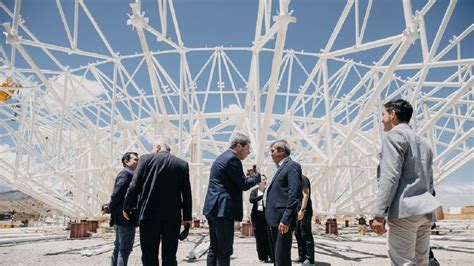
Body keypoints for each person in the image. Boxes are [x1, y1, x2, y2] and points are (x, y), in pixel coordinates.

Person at [371, 99, 441, 266]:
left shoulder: (394, 137)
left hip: (405, 211)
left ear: (393, 115)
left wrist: (379, 214)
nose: (381, 119)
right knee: (422, 263)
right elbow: (429, 182)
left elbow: (390, 176)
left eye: (383, 114)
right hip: (425, 213)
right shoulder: (424, 143)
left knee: (403, 263)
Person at [123, 142, 192, 266]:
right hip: (172, 218)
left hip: (148, 216)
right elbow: (186, 193)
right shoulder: (182, 164)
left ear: (158, 148)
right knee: (170, 254)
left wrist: (127, 207)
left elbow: (134, 185)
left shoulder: (145, 159)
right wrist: (187, 217)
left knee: (149, 254)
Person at [203, 133, 261, 266]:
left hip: (213, 207)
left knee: (214, 248)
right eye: (247, 149)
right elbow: (243, 185)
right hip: (223, 210)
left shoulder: (222, 157)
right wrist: (257, 178)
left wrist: (247, 178)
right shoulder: (233, 160)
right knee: (224, 250)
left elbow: (232, 181)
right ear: (239, 146)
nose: (248, 153)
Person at [264, 140, 302, 266]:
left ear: (282, 151)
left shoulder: (292, 166)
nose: (271, 154)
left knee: (282, 258)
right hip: (274, 219)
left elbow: (294, 194)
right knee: (277, 257)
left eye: (273, 151)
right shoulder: (279, 169)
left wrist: (286, 219)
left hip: (282, 219)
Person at [109, 152, 139, 266]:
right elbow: (117, 194)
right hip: (125, 218)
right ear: (126, 162)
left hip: (119, 218)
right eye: (135, 159)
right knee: (124, 250)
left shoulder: (127, 174)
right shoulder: (127, 174)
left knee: (118, 248)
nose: (137, 162)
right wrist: (111, 207)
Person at [249, 175, 272, 263]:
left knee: (268, 236)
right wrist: (262, 196)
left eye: (265, 179)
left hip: (266, 216)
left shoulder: (268, 191)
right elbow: (251, 200)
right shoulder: (254, 191)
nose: (264, 181)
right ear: (259, 183)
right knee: (259, 237)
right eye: (263, 180)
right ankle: (262, 257)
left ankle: (270, 255)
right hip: (257, 217)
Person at [294, 175, 315, 265]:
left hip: (304, 211)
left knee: (305, 234)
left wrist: (302, 210)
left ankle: (310, 259)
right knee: (298, 233)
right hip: (296, 210)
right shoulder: (293, 179)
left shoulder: (303, 179)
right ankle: (302, 256)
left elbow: (306, 195)